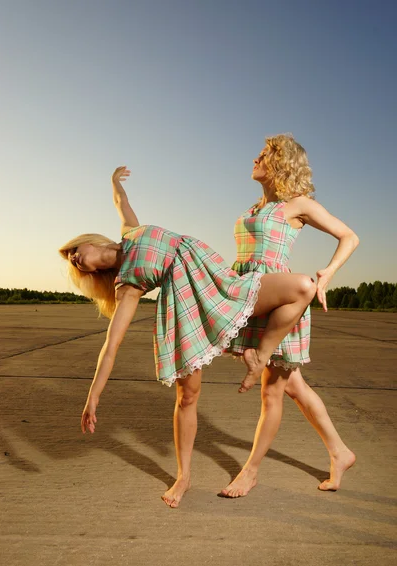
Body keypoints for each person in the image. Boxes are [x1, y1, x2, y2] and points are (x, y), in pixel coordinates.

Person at [59, 166, 316, 507]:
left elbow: (121, 201)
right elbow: (111, 345)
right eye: (75, 265)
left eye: (74, 252)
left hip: (215, 279)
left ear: (89, 241)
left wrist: (113, 181)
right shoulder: (127, 285)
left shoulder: (131, 232)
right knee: (187, 397)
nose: (75, 259)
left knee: (301, 286)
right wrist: (93, 397)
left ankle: (261, 354)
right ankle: (184, 476)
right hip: (184, 307)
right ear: (93, 272)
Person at [219, 133, 359, 498]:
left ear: (281, 163)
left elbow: (349, 237)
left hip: (280, 301)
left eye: (264, 155)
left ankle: (250, 473)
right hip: (251, 291)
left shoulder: (299, 204)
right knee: (294, 386)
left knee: (273, 392)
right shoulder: (254, 207)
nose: (255, 159)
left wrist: (327, 273)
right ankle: (340, 452)